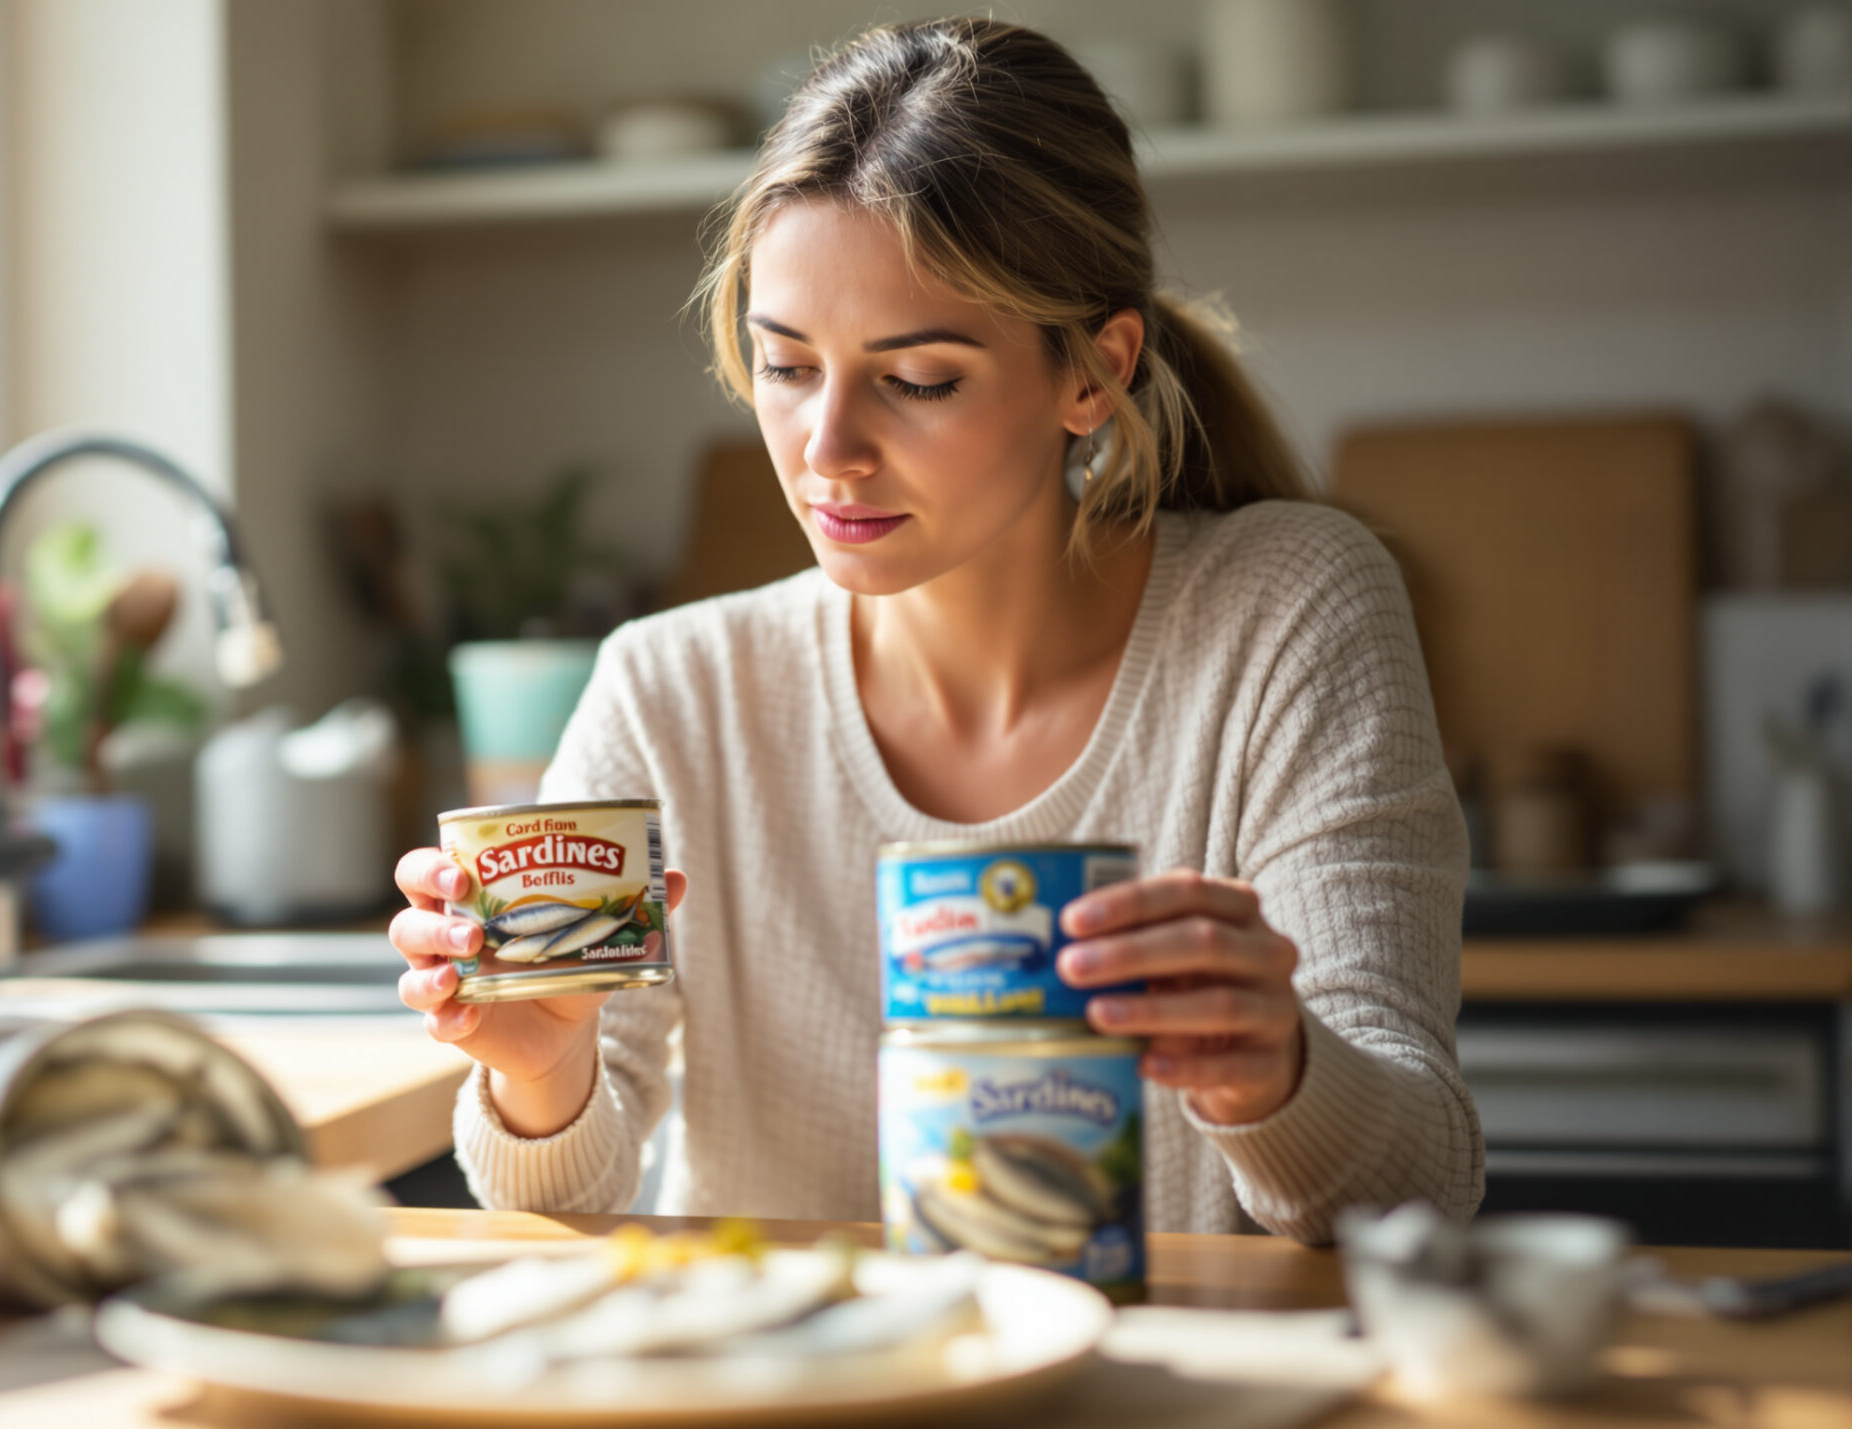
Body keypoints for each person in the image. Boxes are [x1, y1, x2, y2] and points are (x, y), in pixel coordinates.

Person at [387, 17, 1482, 1241]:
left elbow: (1420, 1180)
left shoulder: (1285, 610)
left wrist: (1273, 1075)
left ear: (1093, 371)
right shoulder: (672, 687)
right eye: (786, 366)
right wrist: (539, 1072)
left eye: (917, 380)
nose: (827, 451)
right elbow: (564, 1194)